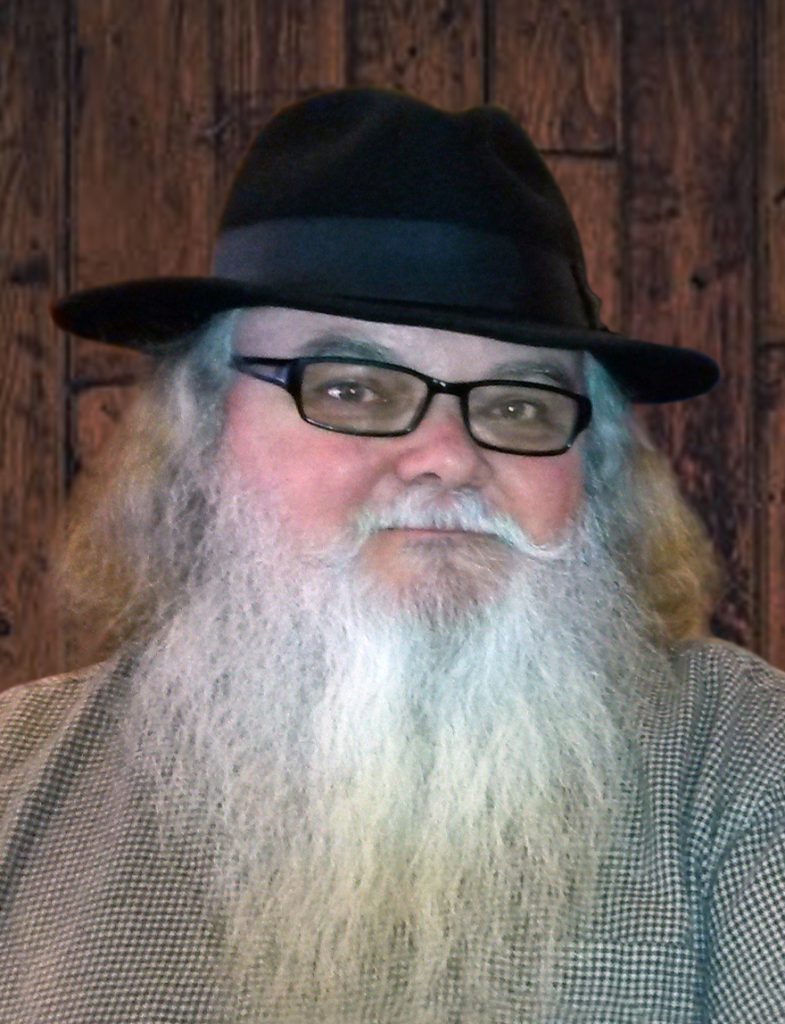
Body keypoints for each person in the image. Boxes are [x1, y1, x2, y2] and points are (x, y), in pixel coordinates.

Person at [1, 87, 783, 1024]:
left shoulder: (743, 761)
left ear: (595, 465)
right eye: (353, 389)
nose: (448, 456)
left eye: (519, 406)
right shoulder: (14, 776)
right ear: (202, 435)